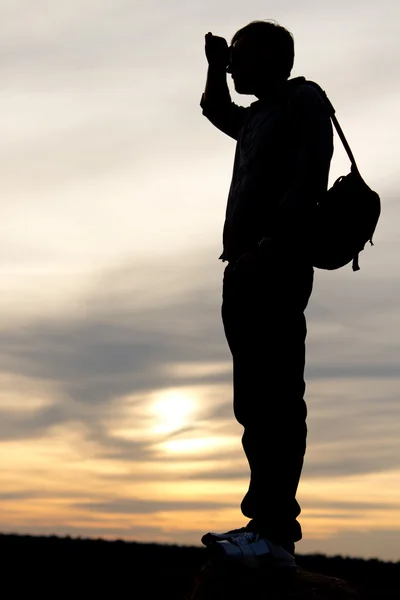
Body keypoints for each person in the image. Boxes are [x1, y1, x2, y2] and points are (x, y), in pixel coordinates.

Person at [199, 20, 334, 568]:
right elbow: (215, 110)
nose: (231, 62)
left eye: (238, 53)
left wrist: (274, 243)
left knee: (276, 397)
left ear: (271, 56)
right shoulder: (257, 116)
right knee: (254, 402)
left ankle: (276, 532)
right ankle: (264, 524)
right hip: (245, 271)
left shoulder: (302, 100)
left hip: (275, 265)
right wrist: (212, 65)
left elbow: (310, 175)